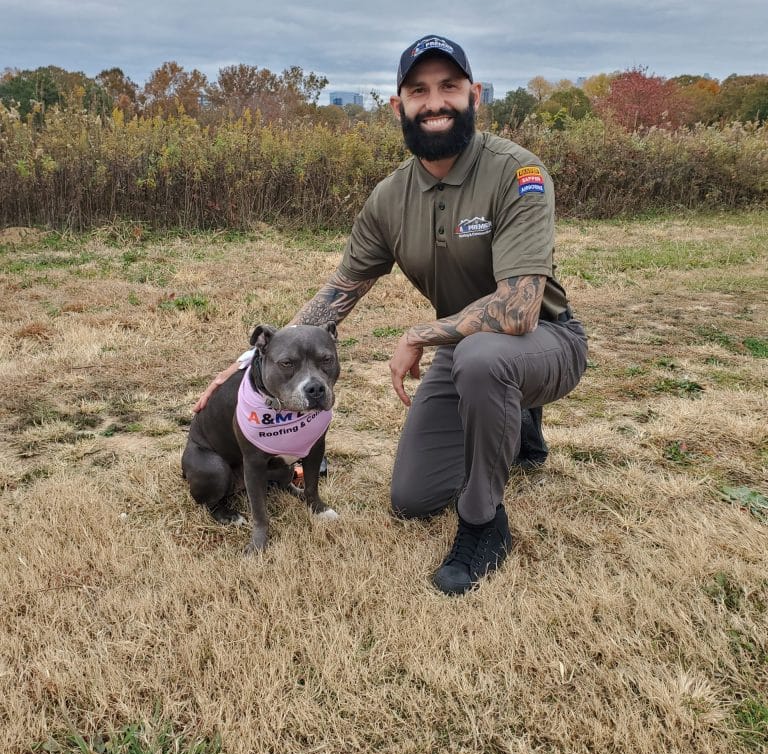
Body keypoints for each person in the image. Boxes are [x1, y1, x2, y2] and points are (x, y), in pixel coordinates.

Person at [194, 35, 588, 595]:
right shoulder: (389, 197)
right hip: (468, 352)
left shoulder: (517, 172)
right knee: (412, 498)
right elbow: (339, 291)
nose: (435, 102)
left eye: (449, 87)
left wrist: (419, 334)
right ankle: (511, 425)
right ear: (398, 105)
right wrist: (250, 362)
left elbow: (519, 308)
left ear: (474, 94)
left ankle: (484, 524)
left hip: (546, 341)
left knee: (482, 359)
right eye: (419, 90)